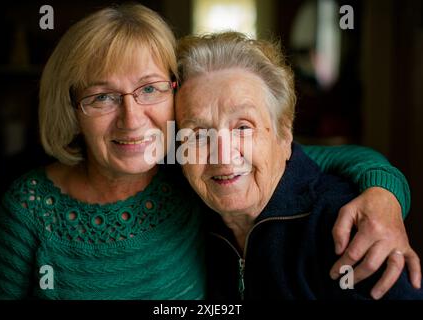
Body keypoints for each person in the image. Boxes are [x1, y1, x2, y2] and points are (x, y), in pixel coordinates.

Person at [0, 4, 419, 300]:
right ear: (72, 109)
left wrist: (385, 195)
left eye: (149, 89)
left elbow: (325, 159)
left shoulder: (191, 170)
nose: (131, 120)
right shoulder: (31, 209)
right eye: (101, 97)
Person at [175, 31, 423, 299]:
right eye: (198, 135)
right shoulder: (182, 215)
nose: (222, 156)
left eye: (243, 127)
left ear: (284, 133)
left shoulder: (347, 227)